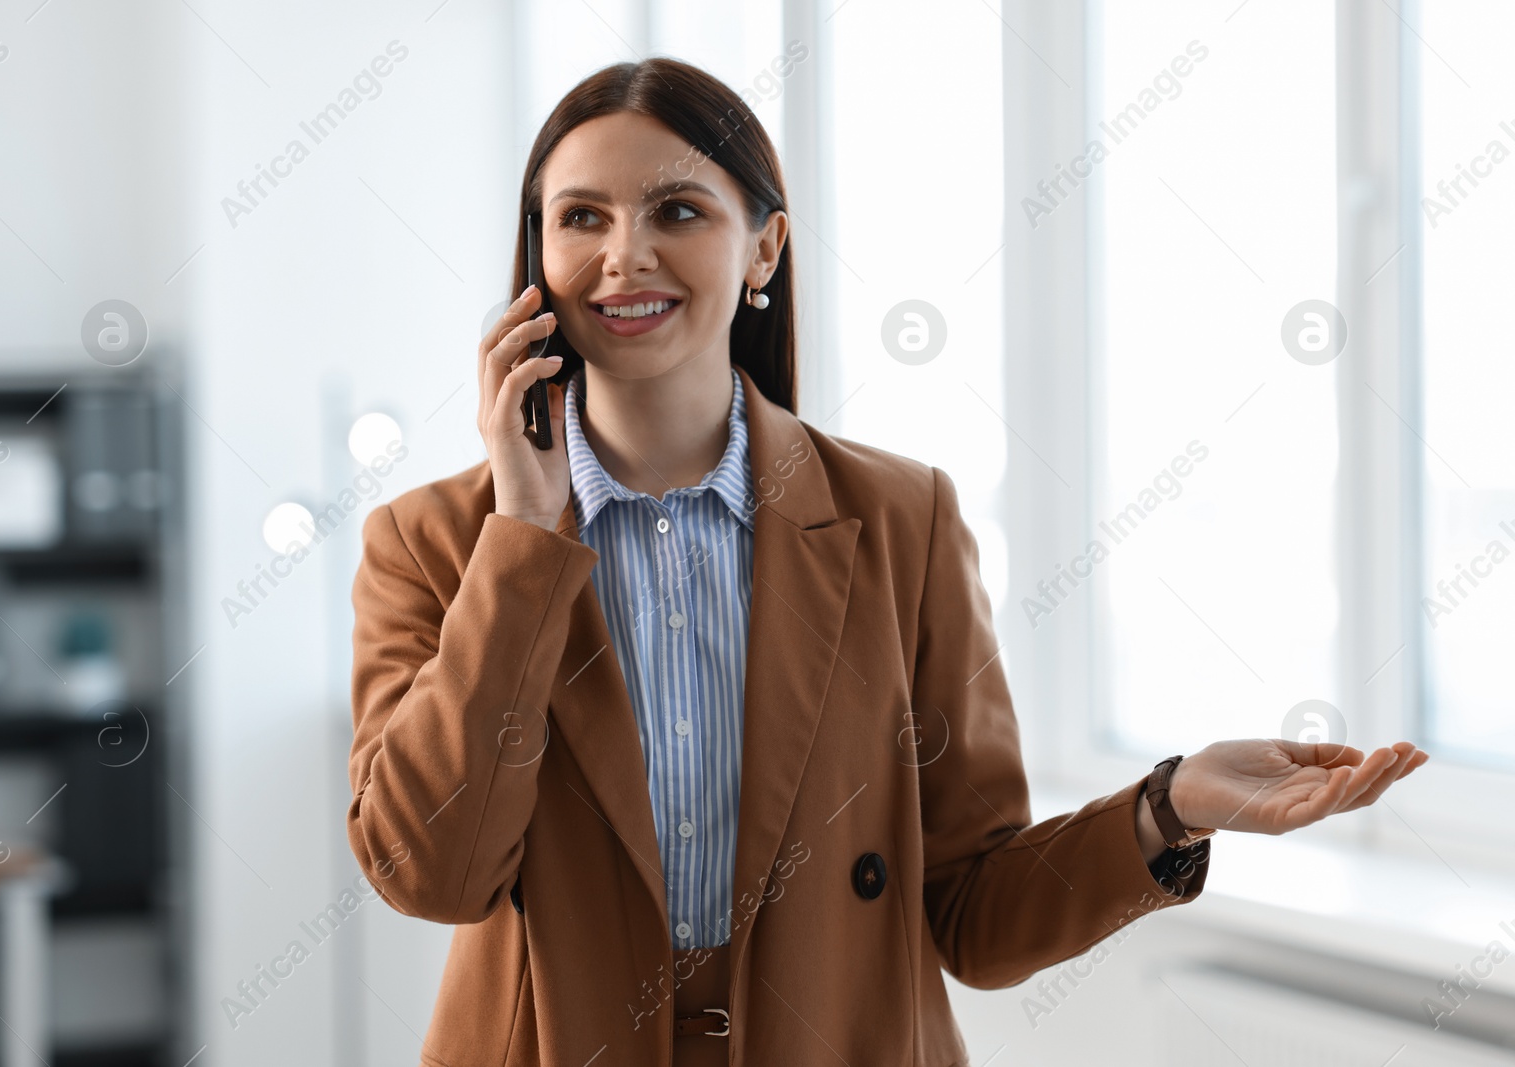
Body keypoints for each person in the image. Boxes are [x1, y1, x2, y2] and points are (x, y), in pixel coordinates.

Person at [345, 56, 1428, 1067]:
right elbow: (430, 872)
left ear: (764, 247)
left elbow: (973, 909)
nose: (624, 255)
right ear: (536, 252)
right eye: (580, 217)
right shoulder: (436, 543)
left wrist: (1169, 805)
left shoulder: (900, 518)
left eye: (677, 210)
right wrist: (527, 537)